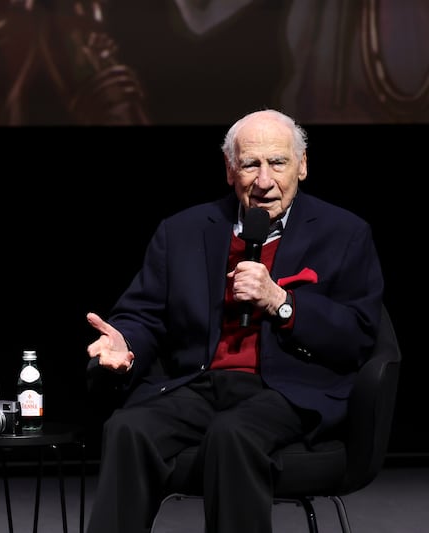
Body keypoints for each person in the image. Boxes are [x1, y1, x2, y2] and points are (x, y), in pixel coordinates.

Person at [84, 109, 384, 533]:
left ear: (302, 166)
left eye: (277, 163)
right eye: (250, 164)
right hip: (199, 384)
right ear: (230, 171)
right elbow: (143, 314)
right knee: (128, 428)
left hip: (289, 390)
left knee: (233, 434)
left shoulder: (344, 233)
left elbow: (357, 334)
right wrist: (126, 347)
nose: (264, 181)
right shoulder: (183, 230)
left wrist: (282, 302)